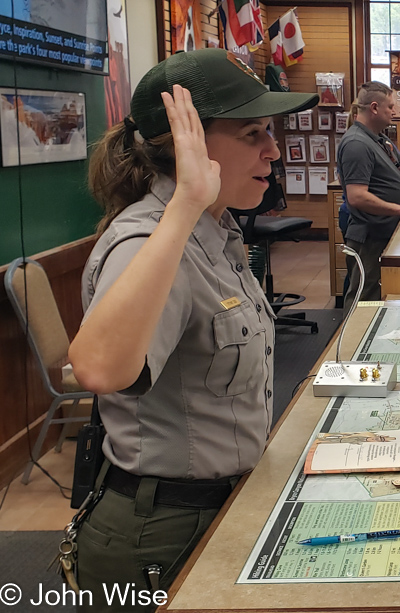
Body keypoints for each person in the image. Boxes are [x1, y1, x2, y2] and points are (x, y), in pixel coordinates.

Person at [68, 49, 320, 612]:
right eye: (253, 133)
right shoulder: (150, 239)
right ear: (189, 147)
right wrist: (185, 202)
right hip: (159, 532)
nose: (273, 151)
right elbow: (101, 368)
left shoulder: (219, 232)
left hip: (218, 506)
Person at [337, 81, 400, 310]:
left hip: (387, 232)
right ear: (374, 108)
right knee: (364, 299)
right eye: (391, 107)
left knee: (381, 294)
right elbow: (357, 197)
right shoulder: (357, 144)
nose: (395, 112)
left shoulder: (380, 140)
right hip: (370, 236)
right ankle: (350, 344)